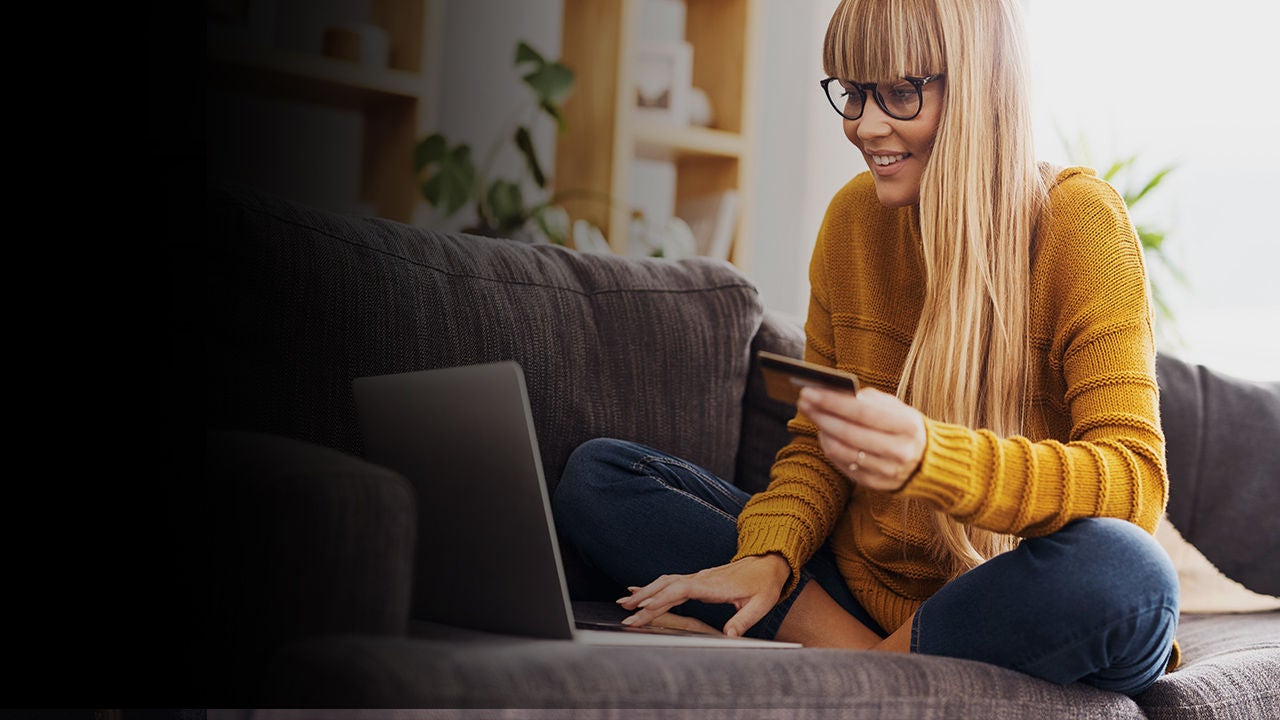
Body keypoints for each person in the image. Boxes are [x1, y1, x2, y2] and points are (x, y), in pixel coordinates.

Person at [552, 0, 1178, 697]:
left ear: (978, 88)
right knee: (600, 477)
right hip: (858, 591)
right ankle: (874, 667)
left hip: (1012, 602)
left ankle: (853, 673)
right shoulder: (852, 222)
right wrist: (769, 555)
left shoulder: (1080, 224)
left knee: (1130, 576)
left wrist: (929, 458)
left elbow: (1132, 485)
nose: (865, 126)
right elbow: (817, 445)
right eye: (852, 92)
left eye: (902, 93)